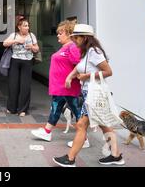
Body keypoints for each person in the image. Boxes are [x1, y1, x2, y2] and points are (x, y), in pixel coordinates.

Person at [53, 24, 125, 167]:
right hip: (88, 94)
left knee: (81, 125)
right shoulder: (85, 51)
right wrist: (70, 76)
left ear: (85, 38)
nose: (74, 40)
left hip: (94, 94)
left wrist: (87, 76)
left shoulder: (94, 52)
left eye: (76, 37)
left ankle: (70, 158)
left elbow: (108, 72)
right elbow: (78, 66)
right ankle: (116, 156)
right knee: (104, 125)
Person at [31, 20, 83, 142]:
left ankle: (83, 138)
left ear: (69, 34)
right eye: (58, 33)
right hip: (61, 87)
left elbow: (79, 65)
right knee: (55, 108)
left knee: (77, 111)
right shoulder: (65, 47)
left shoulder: (72, 47)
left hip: (68, 87)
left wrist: (70, 77)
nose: (58, 35)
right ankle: (47, 131)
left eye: (61, 33)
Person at [3, 16, 39, 117]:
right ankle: (12, 108)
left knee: (25, 86)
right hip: (15, 61)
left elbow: (37, 49)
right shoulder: (14, 35)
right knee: (13, 85)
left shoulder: (31, 35)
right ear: (19, 27)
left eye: (28, 26)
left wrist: (32, 47)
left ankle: (23, 109)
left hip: (27, 62)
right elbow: (4, 43)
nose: (27, 28)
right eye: (25, 26)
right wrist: (16, 41)